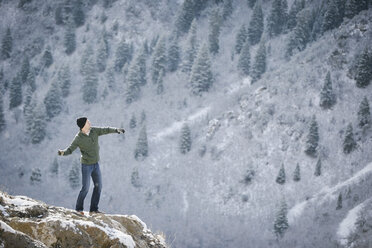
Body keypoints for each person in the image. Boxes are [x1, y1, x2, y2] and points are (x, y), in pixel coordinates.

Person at [58, 117, 125, 215]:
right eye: (88, 121)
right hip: (86, 166)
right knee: (85, 188)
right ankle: (78, 209)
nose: (90, 122)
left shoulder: (94, 131)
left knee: (98, 186)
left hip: (95, 165)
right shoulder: (78, 138)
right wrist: (62, 153)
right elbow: (70, 149)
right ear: (84, 125)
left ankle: (93, 209)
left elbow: (105, 130)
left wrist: (116, 130)